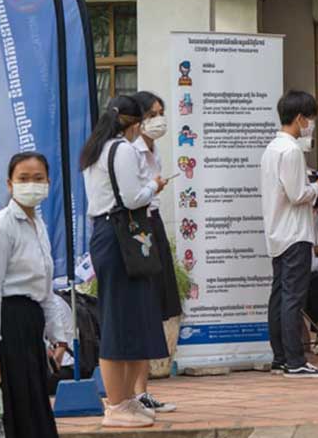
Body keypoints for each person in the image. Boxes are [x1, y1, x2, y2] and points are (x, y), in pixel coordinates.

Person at [0, 152, 72, 438]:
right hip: (4, 325)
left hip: (30, 325)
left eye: (38, 178)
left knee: (34, 408)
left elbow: (44, 288)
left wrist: (59, 338)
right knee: (9, 413)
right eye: (23, 178)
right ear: (9, 183)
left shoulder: (38, 225)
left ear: (48, 182)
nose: (31, 184)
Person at [83, 95, 169, 428]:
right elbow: (133, 197)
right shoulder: (121, 150)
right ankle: (116, 405)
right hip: (118, 236)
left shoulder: (99, 149)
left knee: (134, 315)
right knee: (119, 318)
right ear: (133, 124)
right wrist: (154, 185)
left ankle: (128, 400)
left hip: (115, 235)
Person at [261, 90, 318, 379]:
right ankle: (295, 361)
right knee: (293, 297)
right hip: (294, 234)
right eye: (310, 120)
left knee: (279, 296)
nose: (311, 126)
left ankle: (280, 358)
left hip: (277, 232)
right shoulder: (292, 150)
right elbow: (298, 195)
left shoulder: (272, 149)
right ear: (299, 118)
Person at [130, 91, 180, 413]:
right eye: (152, 114)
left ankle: (142, 391)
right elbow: (134, 196)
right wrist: (153, 188)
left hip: (154, 221)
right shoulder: (129, 152)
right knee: (142, 307)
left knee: (157, 304)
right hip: (138, 227)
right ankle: (134, 393)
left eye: (161, 112)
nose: (158, 120)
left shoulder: (153, 149)